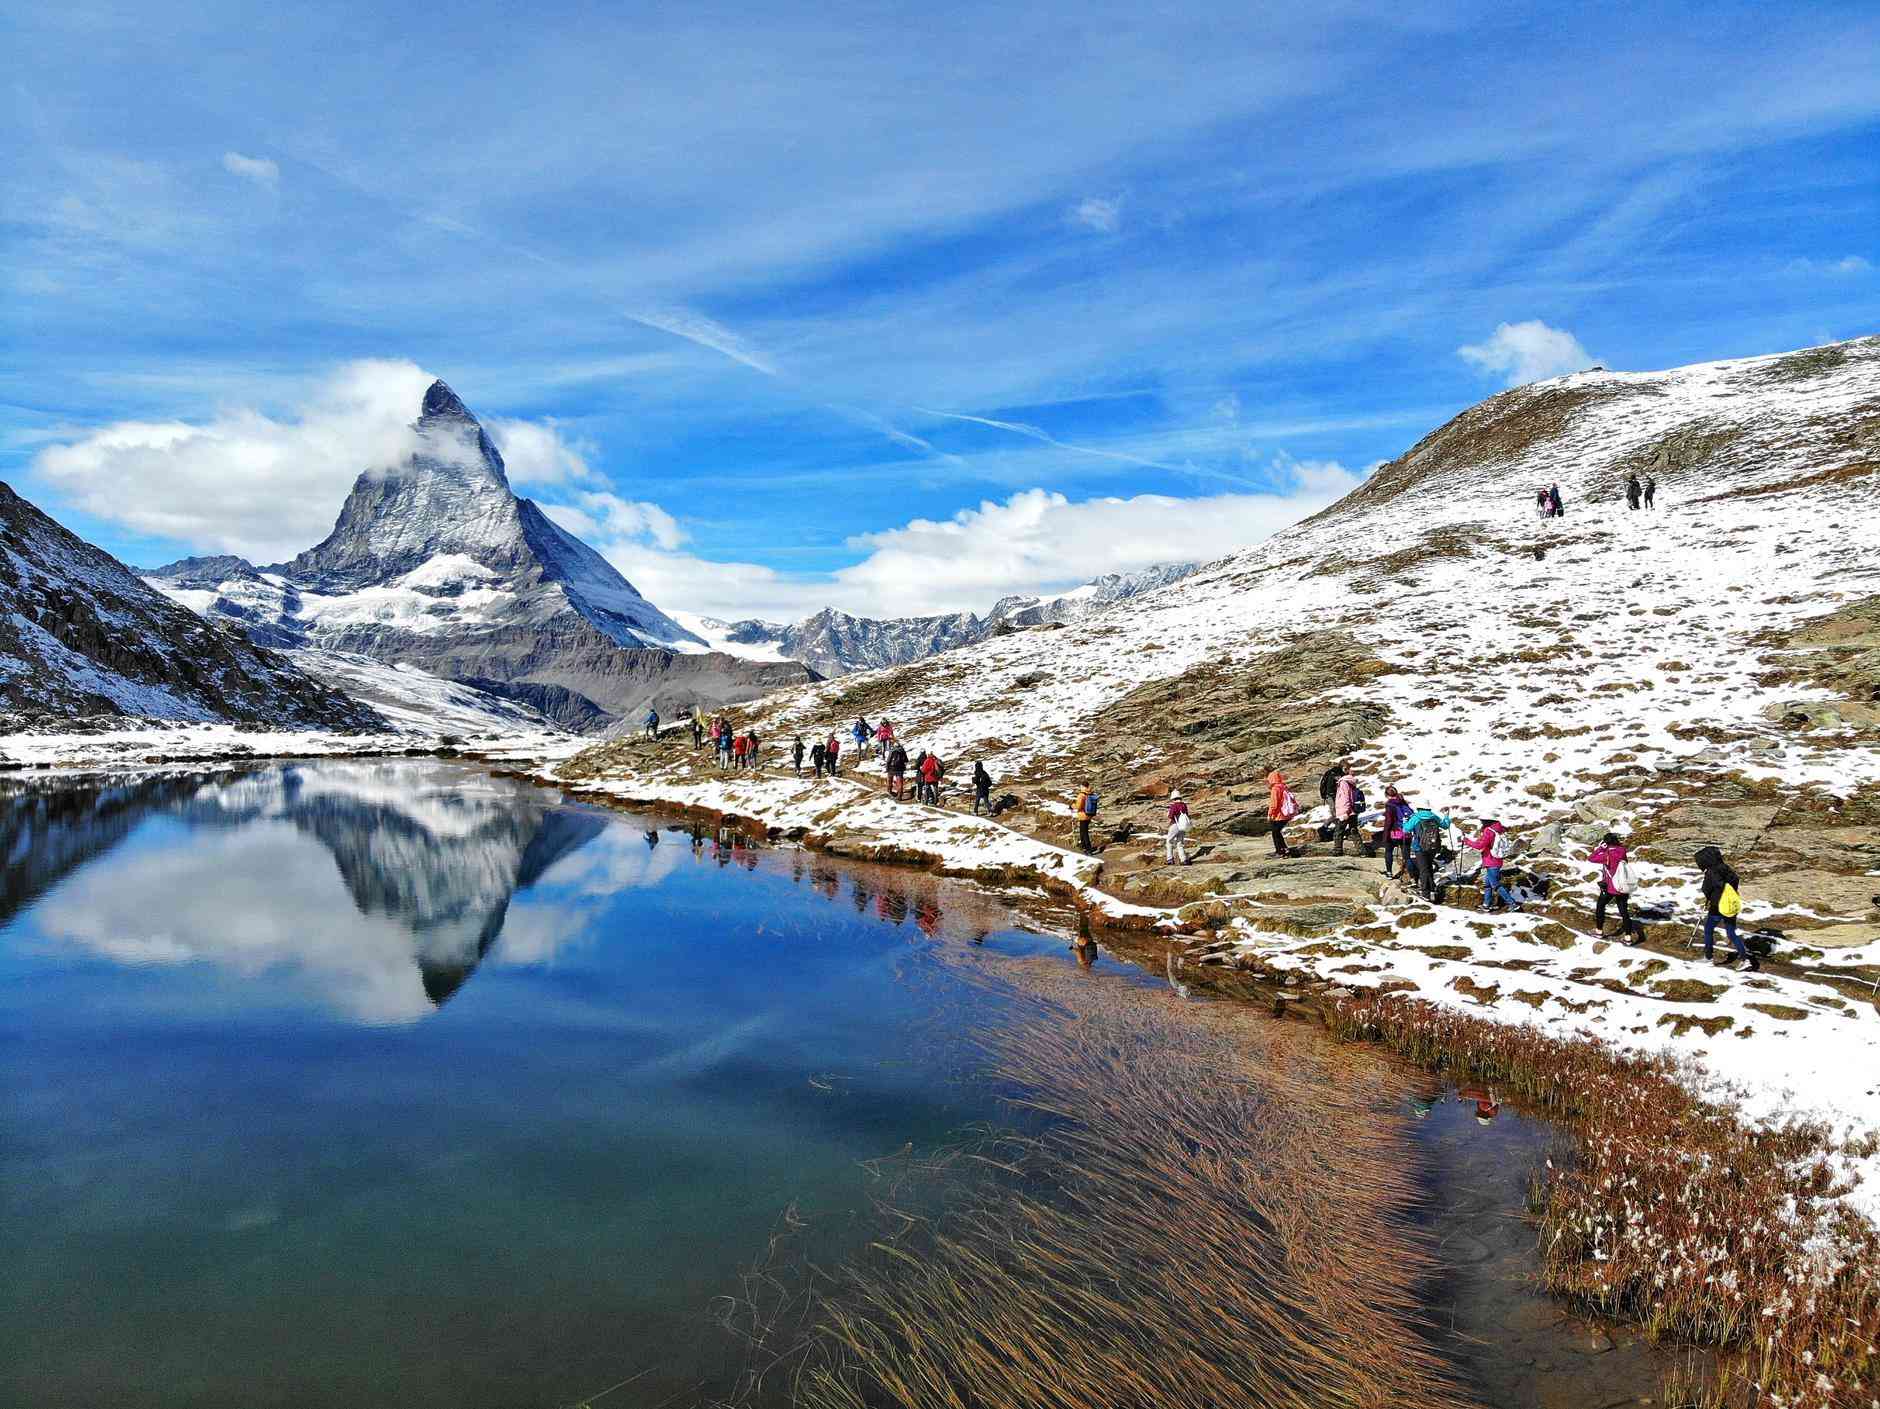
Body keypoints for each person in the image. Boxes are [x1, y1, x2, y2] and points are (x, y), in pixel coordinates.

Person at [1696, 846, 1757, 970]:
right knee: (1731, 933)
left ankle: (1708, 957)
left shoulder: (1710, 872)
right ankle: (1745, 960)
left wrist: (1710, 897)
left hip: (1717, 906)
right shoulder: (1726, 867)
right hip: (1730, 905)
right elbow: (1735, 881)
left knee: (1708, 929)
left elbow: (1706, 889)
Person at [1588, 832, 1640, 941]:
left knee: (1600, 907)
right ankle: (1628, 937)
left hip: (1610, 887)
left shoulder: (1607, 855)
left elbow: (1591, 858)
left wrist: (1601, 849)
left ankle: (1599, 931)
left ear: (1606, 842)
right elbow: (1624, 862)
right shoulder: (1622, 850)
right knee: (1624, 911)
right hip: (1623, 886)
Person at [1463, 818, 1519, 913]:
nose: (1481, 822)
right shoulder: (1499, 829)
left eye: (1482, 821)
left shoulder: (1489, 831)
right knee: (1488, 884)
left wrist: (1466, 841)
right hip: (1497, 860)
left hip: (1491, 861)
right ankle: (1486, 905)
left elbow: (1480, 845)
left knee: (1495, 884)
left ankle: (1512, 904)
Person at [1400, 804, 1451, 900]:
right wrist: (1446, 816)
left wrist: (1404, 822)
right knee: (1429, 868)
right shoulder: (1433, 816)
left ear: (1419, 807)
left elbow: (1405, 830)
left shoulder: (1416, 817)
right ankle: (1432, 889)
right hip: (1433, 847)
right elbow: (1445, 825)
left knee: (1423, 870)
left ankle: (1425, 893)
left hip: (1419, 848)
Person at [1331, 763, 1361, 856]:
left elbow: (1345, 798)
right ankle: (1362, 851)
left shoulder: (1343, 782)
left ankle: (1337, 850)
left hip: (1345, 811)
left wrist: (1344, 812)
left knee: (1338, 831)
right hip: (1352, 811)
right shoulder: (1350, 781)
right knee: (1354, 831)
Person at [1381, 787, 1411, 877]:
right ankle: (1410, 874)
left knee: (1389, 851)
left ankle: (1389, 872)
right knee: (1406, 855)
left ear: (1387, 795)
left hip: (1395, 832)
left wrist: (1385, 835)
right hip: (1406, 831)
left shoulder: (1390, 805)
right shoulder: (1403, 802)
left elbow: (1389, 822)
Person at [1266, 771, 1295, 858]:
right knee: (1279, 833)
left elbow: (1274, 804)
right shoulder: (1283, 787)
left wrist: (1270, 814)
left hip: (1279, 815)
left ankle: (1280, 851)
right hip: (1286, 814)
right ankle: (1284, 849)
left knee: (1275, 833)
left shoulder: (1275, 789)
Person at [1165, 788, 1192, 865]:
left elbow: (1170, 816)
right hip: (1183, 826)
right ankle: (1183, 860)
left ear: (1173, 798)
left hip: (1175, 825)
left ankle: (1170, 859)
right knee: (1180, 843)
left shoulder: (1174, 806)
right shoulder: (1184, 805)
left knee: (1169, 841)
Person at [1073, 784, 1099, 854]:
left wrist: (1072, 806)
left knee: (1084, 832)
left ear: (1083, 786)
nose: (1080, 787)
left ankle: (1088, 848)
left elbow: (1078, 806)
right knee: (1083, 831)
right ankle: (1083, 846)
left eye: (1081, 786)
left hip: (1083, 815)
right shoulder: (1090, 793)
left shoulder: (1081, 795)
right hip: (1089, 814)